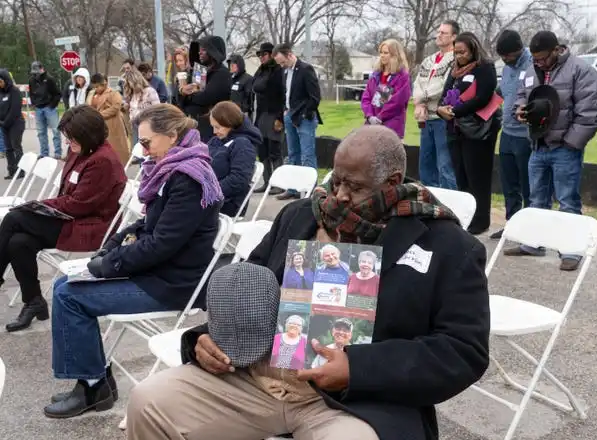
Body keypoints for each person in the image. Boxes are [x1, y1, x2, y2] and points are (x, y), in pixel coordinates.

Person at [125, 125, 490, 440]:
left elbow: (463, 351)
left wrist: (357, 369)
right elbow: (251, 287)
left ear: (392, 183)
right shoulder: (300, 215)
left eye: (356, 186)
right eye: (337, 179)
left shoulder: (447, 247)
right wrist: (207, 337)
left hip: (354, 401)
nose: (340, 195)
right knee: (149, 401)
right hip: (257, 377)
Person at [44, 103, 223, 419]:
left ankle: (93, 386)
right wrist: (110, 248)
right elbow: (146, 224)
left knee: (70, 296)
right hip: (159, 272)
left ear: (171, 136)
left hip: (173, 283)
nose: (142, 150)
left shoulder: (188, 178)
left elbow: (159, 244)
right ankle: (94, 381)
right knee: (64, 284)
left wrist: (106, 265)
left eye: (146, 142)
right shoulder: (175, 167)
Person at [2, 105, 127, 332]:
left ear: (89, 135)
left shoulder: (103, 160)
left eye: (73, 139)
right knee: (18, 242)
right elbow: (68, 198)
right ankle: (34, 302)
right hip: (70, 217)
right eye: (68, 139)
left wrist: (40, 206)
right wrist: (43, 207)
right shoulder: (81, 150)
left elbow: (78, 205)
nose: (69, 144)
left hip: (91, 226)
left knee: (14, 218)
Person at [506, 31, 597, 271]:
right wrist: (519, 110)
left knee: (567, 200)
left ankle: (572, 250)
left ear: (556, 50)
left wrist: (570, 143)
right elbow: (522, 95)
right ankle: (534, 243)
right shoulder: (531, 70)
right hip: (538, 145)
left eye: (541, 58)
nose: (537, 63)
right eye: (535, 59)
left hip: (565, 148)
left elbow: (590, 112)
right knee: (537, 198)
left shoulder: (581, 70)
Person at [438, 32, 501, 235]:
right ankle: (466, 216)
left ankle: (481, 220)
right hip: (456, 130)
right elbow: (445, 93)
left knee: (478, 177)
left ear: (473, 49)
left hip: (478, 132)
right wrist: (441, 109)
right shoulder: (455, 70)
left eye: (463, 52)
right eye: (456, 52)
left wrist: (455, 111)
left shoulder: (485, 68)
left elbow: (482, 97)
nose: (459, 56)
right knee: (461, 176)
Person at [490, 30, 534, 240]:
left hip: (526, 135)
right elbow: (501, 92)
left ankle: (529, 230)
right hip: (507, 132)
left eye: (507, 56)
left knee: (527, 185)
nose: (504, 60)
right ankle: (512, 225)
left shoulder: (533, 65)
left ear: (517, 50)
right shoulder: (507, 69)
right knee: (509, 184)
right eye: (502, 56)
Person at [273, 43, 323, 200]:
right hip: (289, 115)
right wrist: (285, 112)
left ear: (289, 55)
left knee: (307, 154)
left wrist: (304, 114)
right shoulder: (284, 72)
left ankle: (310, 191)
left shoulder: (305, 69)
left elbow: (315, 96)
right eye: (279, 63)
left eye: (283, 62)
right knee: (293, 153)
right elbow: (285, 93)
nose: (281, 66)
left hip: (304, 118)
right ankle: (293, 188)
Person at [413, 20, 459, 189]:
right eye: (438, 32)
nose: (438, 36)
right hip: (425, 119)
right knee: (425, 167)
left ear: (454, 36)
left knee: (445, 168)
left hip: (442, 119)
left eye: (443, 33)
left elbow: (444, 86)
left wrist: (423, 98)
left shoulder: (455, 59)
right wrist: (419, 103)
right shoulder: (428, 61)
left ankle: (452, 207)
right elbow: (417, 83)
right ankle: (431, 205)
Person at [208, 101, 260, 217]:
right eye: (213, 127)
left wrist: (210, 191)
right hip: (210, 194)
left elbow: (239, 179)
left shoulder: (243, 145)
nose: (214, 132)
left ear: (230, 123)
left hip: (227, 201)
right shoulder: (216, 140)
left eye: (218, 127)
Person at [179, 36, 232, 142]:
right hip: (193, 125)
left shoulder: (222, 73)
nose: (199, 53)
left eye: (203, 50)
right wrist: (182, 91)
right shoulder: (198, 71)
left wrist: (189, 94)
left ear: (213, 52)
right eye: (199, 50)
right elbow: (181, 100)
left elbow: (206, 97)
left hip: (211, 128)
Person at [252, 42, 286, 195]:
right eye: (259, 55)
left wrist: (280, 118)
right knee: (263, 149)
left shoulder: (278, 71)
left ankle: (279, 183)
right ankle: (267, 182)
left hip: (274, 114)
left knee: (275, 149)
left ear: (271, 54)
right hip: (262, 114)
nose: (261, 57)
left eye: (264, 54)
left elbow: (282, 96)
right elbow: (256, 87)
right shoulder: (260, 71)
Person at [361, 39, 411, 139]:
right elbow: (366, 98)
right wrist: (370, 116)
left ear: (394, 54)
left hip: (391, 128)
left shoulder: (402, 76)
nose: (382, 55)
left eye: (386, 53)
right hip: (371, 126)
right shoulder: (375, 75)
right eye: (381, 52)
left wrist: (379, 118)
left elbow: (397, 103)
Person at [88, 73, 132, 166]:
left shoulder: (113, 93)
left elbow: (116, 107)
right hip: (97, 126)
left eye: (97, 87)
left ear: (103, 84)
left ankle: (119, 167)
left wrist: (99, 114)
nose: (96, 89)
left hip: (112, 125)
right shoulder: (92, 94)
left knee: (115, 149)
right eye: (94, 87)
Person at [28, 61, 63, 159]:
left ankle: (58, 153)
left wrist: (52, 105)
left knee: (55, 130)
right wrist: (34, 103)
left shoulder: (49, 79)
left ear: (42, 68)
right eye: (34, 72)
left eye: (37, 71)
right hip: (38, 108)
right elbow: (31, 93)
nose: (36, 74)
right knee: (41, 132)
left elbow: (57, 94)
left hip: (49, 108)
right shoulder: (31, 80)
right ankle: (44, 153)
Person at [123, 68, 160, 145]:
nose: (130, 85)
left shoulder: (150, 91)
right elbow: (133, 110)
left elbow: (157, 109)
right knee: (136, 149)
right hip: (135, 126)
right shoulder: (132, 95)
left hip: (148, 125)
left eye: (130, 83)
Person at [0, 69, 25, 179]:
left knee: (16, 147)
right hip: (4, 125)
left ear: (5, 79)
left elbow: (15, 110)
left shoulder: (15, 91)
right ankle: (11, 171)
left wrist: (5, 122)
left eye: (0, 81)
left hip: (16, 123)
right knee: (8, 148)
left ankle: (20, 171)